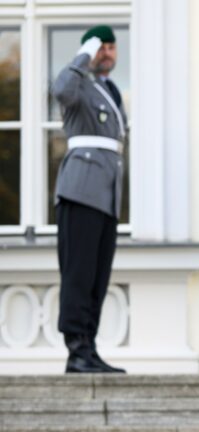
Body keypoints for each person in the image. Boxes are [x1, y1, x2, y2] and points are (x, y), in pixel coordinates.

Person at [52, 25, 127, 374]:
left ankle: (89, 346)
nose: (107, 54)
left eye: (111, 47)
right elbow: (60, 90)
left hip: (106, 194)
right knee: (79, 273)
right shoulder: (78, 82)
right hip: (81, 190)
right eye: (102, 47)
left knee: (98, 275)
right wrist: (84, 53)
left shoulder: (108, 89)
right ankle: (76, 348)